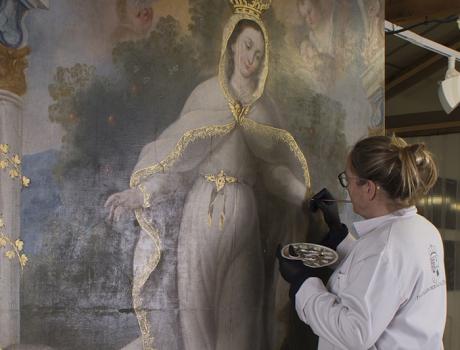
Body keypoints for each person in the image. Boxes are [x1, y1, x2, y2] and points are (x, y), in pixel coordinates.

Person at [106, 4, 311, 349]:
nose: (252, 58)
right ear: (232, 45)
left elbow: (272, 172)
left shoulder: (265, 109)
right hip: (199, 211)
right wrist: (139, 195)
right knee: (195, 313)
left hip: (243, 215)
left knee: (241, 316)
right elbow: (178, 168)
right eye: (247, 46)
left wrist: (303, 195)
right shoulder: (205, 95)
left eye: (259, 53)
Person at [278, 135, 446, 349]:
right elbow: (380, 279)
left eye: (347, 179)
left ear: (369, 188)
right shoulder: (424, 230)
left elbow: (354, 334)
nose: (346, 188)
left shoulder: (385, 247)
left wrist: (303, 283)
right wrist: (338, 235)